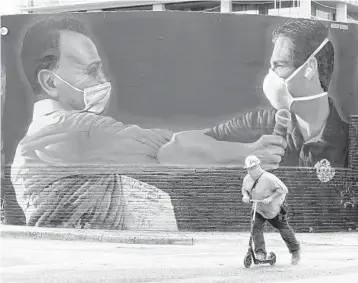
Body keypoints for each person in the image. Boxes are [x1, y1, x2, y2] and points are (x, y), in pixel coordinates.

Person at [10, 17, 177, 230]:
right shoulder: (70, 132)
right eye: (91, 71)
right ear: (51, 82)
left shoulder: (39, 139)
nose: (103, 80)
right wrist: (225, 137)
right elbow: (172, 148)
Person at [158, 19, 349, 169]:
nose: (270, 77)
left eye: (279, 66)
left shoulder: (350, 143)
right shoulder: (261, 125)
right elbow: (172, 151)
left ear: (310, 68)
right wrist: (247, 153)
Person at [241, 155, 301, 265]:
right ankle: (260, 253)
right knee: (256, 229)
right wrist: (245, 196)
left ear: (259, 166)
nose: (250, 170)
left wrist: (270, 198)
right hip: (258, 209)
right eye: (249, 168)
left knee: (284, 229)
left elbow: (283, 189)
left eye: (253, 167)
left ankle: (295, 251)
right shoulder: (247, 178)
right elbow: (244, 189)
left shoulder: (269, 178)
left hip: (274, 209)